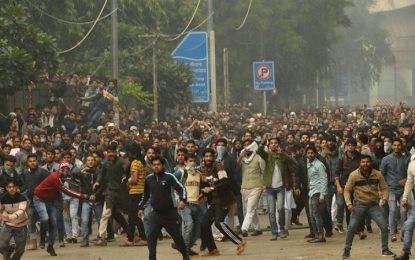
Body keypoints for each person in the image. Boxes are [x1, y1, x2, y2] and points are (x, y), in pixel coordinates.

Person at [341, 155, 395, 259]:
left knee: (384, 226)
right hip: (359, 205)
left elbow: (384, 188)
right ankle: (346, 251)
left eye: (367, 162)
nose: (365, 164)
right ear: (360, 163)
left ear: (371, 163)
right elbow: (347, 190)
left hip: (373, 205)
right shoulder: (354, 175)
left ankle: (385, 249)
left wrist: (384, 198)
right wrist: (349, 203)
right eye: (363, 162)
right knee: (351, 228)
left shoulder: (377, 174)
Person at [138, 155, 189, 260]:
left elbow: (181, 188)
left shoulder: (169, 177)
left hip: (169, 214)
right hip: (155, 214)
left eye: (158, 165)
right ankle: (152, 257)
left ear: (162, 165)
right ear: (151, 166)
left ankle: (185, 255)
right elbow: (145, 195)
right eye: (154, 165)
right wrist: (141, 207)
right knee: (151, 239)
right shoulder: (148, 179)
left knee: (178, 238)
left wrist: (182, 200)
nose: (156, 167)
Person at [33, 161, 89, 256]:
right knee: (45, 218)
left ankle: (50, 246)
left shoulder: (63, 177)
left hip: (50, 200)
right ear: (60, 169)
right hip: (39, 198)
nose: (66, 170)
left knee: (54, 224)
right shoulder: (55, 177)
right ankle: (42, 238)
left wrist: (61, 200)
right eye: (64, 168)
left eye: (67, 169)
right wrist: (82, 196)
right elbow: (65, 190)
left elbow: (62, 188)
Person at [199, 148, 246, 256]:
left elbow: (225, 182)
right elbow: (207, 185)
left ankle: (240, 242)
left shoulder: (218, 166)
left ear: (213, 157)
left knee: (218, 222)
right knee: (204, 224)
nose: (208, 158)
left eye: (210, 156)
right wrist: (202, 194)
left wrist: (211, 189)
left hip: (224, 200)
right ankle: (213, 250)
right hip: (214, 201)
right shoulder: (204, 169)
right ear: (203, 158)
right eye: (206, 156)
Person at [257, 137, 299, 240]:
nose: (274, 144)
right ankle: (274, 232)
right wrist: (262, 142)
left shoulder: (282, 156)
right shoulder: (267, 155)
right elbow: (259, 151)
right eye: (271, 143)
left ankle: (282, 230)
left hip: (280, 187)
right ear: (269, 145)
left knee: (280, 209)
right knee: (271, 211)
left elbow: (294, 163)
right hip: (270, 188)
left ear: (278, 145)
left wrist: (283, 154)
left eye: (276, 143)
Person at [380, 138, 410, 242]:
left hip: (403, 190)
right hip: (390, 189)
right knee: (392, 210)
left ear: (401, 146)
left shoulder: (406, 159)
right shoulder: (386, 159)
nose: (397, 147)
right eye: (395, 145)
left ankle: (403, 233)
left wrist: (406, 179)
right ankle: (392, 233)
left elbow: (410, 173)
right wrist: (382, 190)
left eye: (398, 145)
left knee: (403, 211)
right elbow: (381, 175)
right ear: (392, 146)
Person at [237, 139, 264, 237]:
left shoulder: (258, 158)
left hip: (256, 187)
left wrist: (263, 185)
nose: (247, 147)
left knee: (250, 208)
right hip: (244, 187)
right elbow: (236, 166)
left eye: (249, 145)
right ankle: (258, 228)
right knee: (250, 209)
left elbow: (263, 172)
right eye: (245, 145)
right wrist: (241, 155)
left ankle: (244, 228)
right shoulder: (242, 158)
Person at [0, 179, 28, 260]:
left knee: (20, 250)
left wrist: (10, 216)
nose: (12, 189)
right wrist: (3, 215)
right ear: (6, 188)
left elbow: (22, 211)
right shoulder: (2, 198)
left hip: (21, 225)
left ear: (17, 188)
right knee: (1, 245)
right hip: (8, 225)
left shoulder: (22, 198)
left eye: (13, 187)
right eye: (9, 187)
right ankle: (7, 253)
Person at [305, 145, 327, 243]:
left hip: (317, 191)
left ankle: (321, 235)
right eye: (308, 153)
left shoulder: (319, 165)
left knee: (316, 214)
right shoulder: (308, 164)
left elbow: (324, 179)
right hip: (311, 191)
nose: (310, 155)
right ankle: (316, 235)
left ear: (315, 154)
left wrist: (322, 195)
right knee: (312, 214)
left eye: (312, 153)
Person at [394, 159, 415, 260]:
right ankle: (406, 252)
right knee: (408, 225)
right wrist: (405, 197)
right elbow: (409, 182)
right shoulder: (412, 164)